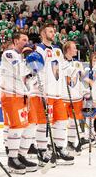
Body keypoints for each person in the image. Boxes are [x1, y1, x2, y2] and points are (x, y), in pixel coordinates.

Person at [31, 25, 76, 166]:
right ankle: (42, 151)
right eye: (50, 31)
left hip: (58, 93)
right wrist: (40, 88)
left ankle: (59, 148)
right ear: (42, 33)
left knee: (61, 122)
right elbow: (36, 70)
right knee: (44, 123)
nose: (53, 33)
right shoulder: (38, 49)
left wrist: (74, 70)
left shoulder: (57, 50)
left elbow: (62, 67)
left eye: (53, 31)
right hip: (46, 93)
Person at [0, 33, 38, 173]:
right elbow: (20, 69)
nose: (27, 42)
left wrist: (32, 74)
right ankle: (12, 158)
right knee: (16, 127)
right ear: (16, 41)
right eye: (24, 40)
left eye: (27, 40)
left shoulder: (21, 57)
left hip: (23, 95)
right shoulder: (9, 53)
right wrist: (32, 65)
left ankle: (21, 155)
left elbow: (25, 78)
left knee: (32, 123)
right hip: (11, 95)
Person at [62, 41, 88, 153]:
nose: (76, 50)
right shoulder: (60, 62)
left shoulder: (78, 63)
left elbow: (83, 78)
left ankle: (71, 143)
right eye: (74, 48)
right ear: (68, 50)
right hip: (63, 96)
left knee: (74, 122)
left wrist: (85, 90)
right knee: (60, 122)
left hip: (76, 97)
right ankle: (53, 145)